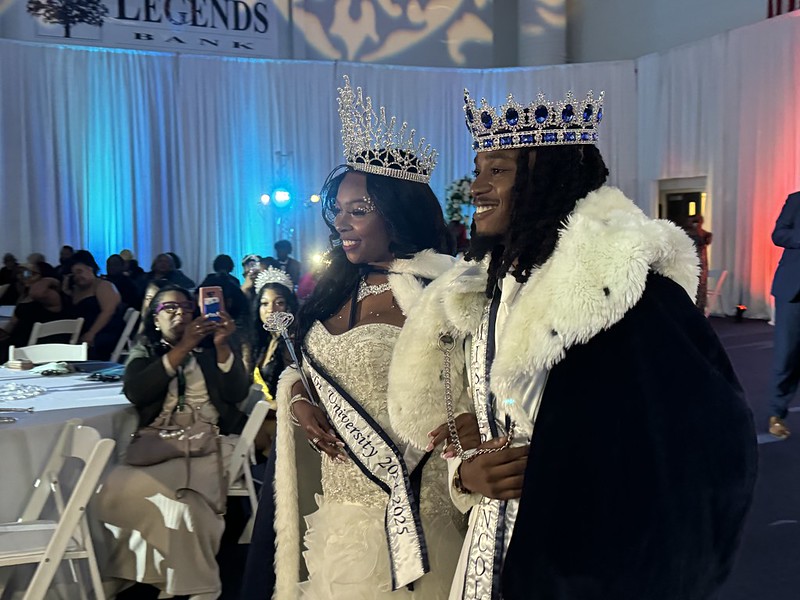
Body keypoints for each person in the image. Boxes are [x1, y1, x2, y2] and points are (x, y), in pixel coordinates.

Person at [388, 89, 757, 600]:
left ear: (547, 178)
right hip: (486, 552)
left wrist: (564, 470)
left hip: (579, 561)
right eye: (477, 170)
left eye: (498, 170)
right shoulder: (482, 291)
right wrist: (466, 472)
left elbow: (708, 438)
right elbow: (468, 420)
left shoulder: (626, 294)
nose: (476, 187)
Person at [266, 76, 461, 600]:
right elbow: (300, 372)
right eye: (338, 211)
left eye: (359, 209)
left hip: (413, 512)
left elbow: (466, 396)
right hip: (338, 512)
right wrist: (301, 402)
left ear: (398, 213)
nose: (341, 223)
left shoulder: (439, 292)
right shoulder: (335, 288)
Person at [95, 285, 248, 599]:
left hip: (212, 438)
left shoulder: (211, 346)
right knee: (111, 490)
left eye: (186, 308)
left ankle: (191, 581)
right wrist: (181, 349)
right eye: (170, 308)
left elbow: (237, 394)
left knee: (185, 505)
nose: (180, 313)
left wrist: (221, 346)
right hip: (160, 442)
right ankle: (142, 570)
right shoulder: (145, 350)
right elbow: (136, 391)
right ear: (155, 319)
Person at [768, 191, 800, 439]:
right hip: (793, 290)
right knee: (787, 355)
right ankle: (776, 414)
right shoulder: (796, 200)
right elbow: (778, 235)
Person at [63, 250, 124, 360]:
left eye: (79, 271)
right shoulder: (76, 289)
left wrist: (91, 333)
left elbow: (108, 311)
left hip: (103, 333)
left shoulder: (103, 285)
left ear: (90, 268)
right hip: (81, 333)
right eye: (74, 274)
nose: (77, 276)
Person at [0, 261, 64, 362]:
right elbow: (12, 323)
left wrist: (50, 280)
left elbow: (37, 292)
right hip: (17, 343)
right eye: (23, 273)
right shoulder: (25, 295)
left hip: (35, 346)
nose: (25, 276)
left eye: (31, 274)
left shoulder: (50, 294)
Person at [685, 214, 713, 312]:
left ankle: (699, 310)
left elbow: (704, 240)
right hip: (688, 263)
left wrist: (698, 229)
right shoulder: (684, 233)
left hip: (700, 264)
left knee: (700, 288)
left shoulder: (705, 234)